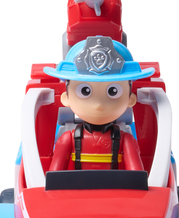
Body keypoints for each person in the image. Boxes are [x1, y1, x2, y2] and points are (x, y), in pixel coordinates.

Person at [44, 36, 155, 171]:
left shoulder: (126, 140)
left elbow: (136, 174)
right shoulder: (68, 139)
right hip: (76, 185)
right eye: (85, 91)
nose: (99, 105)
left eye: (113, 91)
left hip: (117, 185)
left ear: (130, 99)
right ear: (65, 98)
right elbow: (54, 175)